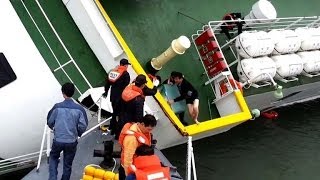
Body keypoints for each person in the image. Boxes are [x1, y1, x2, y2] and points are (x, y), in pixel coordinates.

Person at [47, 82, 88, 180]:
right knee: (67, 165)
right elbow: (83, 125)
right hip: (71, 142)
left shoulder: (57, 107)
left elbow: (49, 121)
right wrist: (77, 133)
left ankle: (52, 178)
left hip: (58, 140)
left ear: (63, 93)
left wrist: (54, 128)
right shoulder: (79, 109)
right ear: (73, 93)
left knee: (53, 158)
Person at [118, 114, 157, 180]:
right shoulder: (132, 139)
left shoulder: (142, 131)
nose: (149, 132)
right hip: (130, 168)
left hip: (139, 165)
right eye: (148, 129)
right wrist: (128, 175)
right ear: (142, 124)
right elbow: (128, 158)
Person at [104, 58, 131, 135]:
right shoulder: (126, 74)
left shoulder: (113, 71)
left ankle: (111, 128)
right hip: (120, 97)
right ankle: (116, 131)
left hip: (112, 95)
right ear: (125, 65)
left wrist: (106, 91)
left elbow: (108, 82)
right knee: (119, 114)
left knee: (114, 113)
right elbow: (126, 85)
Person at [117, 74, 148, 140]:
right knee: (126, 137)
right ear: (143, 85)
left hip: (121, 115)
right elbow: (139, 115)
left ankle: (117, 137)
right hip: (129, 122)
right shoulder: (139, 99)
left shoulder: (127, 89)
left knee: (119, 131)